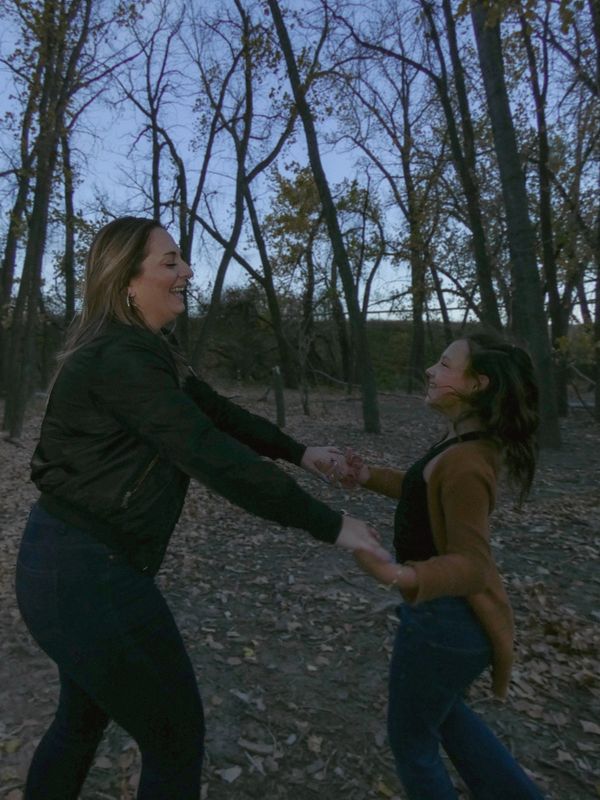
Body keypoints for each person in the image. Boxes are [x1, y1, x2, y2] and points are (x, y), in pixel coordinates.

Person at [15, 216, 389, 800]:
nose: (187, 271)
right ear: (126, 282)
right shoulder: (120, 359)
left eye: (181, 259)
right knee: (175, 739)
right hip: (85, 575)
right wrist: (333, 525)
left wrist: (301, 451)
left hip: (74, 567)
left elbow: (217, 414)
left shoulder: (145, 352)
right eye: (170, 262)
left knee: (81, 721)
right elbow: (211, 455)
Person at [345, 334, 546, 800]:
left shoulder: (467, 461)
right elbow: (422, 492)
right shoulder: (460, 441)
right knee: (445, 716)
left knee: (412, 740)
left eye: (444, 365)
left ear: (477, 383)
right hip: (450, 623)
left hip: (445, 624)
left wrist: (403, 575)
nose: (431, 372)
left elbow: (473, 566)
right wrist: (366, 475)